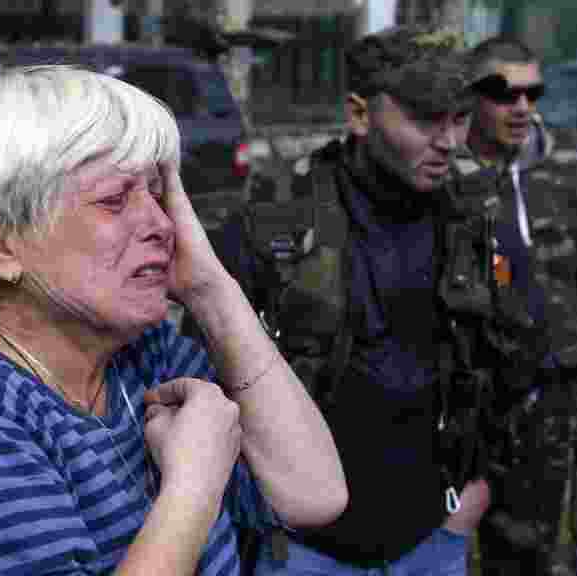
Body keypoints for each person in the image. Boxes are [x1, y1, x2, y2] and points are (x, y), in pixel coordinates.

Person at [0, 65, 347, 576]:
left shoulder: (139, 356)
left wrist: (211, 290)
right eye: (115, 200)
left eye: (158, 194)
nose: (162, 224)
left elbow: (313, 494)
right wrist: (193, 485)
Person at [199, 25, 490, 576]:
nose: (449, 141)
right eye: (426, 119)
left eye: (458, 118)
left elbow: (507, 358)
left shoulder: (472, 216)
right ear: (360, 115)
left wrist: (464, 512)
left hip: (431, 538)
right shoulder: (277, 222)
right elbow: (203, 376)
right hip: (305, 549)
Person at [453, 37, 577, 575]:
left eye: (531, 92)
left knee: (526, 547)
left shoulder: (570, 169)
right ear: (472, 96)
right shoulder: (444, 174)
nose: (520, 107)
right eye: (503, 92)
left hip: (551, 393)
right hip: (462, 394)